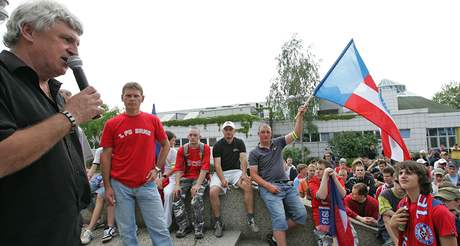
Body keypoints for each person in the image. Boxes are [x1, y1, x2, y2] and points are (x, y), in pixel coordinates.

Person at [0, 1, 103, 245]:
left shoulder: (54, 92)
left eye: (77, 44)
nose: (75, 51)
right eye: (66, 40)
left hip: (65, 231)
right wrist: (70, 117)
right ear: (28, 31)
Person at [100, 82, 172, 246]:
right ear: (122, 98)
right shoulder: (111, 124)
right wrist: (107, 186)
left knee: (159, 228)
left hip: (147, 183)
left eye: (135, 96)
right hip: (120, 185)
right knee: (127, 232)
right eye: (128, 96)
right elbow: (106, 156)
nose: (132, 99)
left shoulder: (152, 120)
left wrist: (157, 168)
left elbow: (166, 144)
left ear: (142, 98)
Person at [249, 106, 308, 246]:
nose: (265, 134)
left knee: (301, 215)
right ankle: (279, 237)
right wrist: (268, 186)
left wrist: (300, 115)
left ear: (271, 134)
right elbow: (253, 175)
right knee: (280, 220)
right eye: (262, 132)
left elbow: (296, 133)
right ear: (258, 134)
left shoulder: (278, 142)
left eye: (268, 132)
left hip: (287, 186)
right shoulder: (254, 153)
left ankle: (276, 236)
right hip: (269, 188)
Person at [389, 161, 457, 246]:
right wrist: (393, 226)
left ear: (421, 178)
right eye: (401, 173)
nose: (403, 176)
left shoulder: (439, 211)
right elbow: (404, 239)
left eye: (409, 173)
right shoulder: (402, 205)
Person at [209, 121, 259, 238]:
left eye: (230, 129)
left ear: (234, 131)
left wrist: (243, 174)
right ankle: (218, 222)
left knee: (247, 185)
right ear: (223, 132)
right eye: (226, 130)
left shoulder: (240, 142)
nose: (228, 132)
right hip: (221, 172)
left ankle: (250, 219)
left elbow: (243, 160)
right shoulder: (217, 145)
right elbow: (217, 165)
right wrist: (222, 179)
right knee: (212, 192)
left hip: (236, 172)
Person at [173, 127, 210, 239]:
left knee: (196, 198)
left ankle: (199, 227)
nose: (193, 137)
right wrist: (177, 185)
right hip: (186, 178)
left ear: (199, 137)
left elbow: (204, 168)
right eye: (191, 135)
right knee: (176, 196)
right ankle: (183, 226)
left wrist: (198, 185)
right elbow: (178, 169)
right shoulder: (182, 149)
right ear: (187, 136)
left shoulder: (205, 148)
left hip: (200, 177)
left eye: (195, 135)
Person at [308, 159, 357, 245]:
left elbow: (343, 194)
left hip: (338, 216)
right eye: (317, 169)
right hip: (323, 218)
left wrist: (334, 178)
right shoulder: (313, 181)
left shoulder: (337, 178)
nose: (317, 172)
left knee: (351, 241)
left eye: (320, 169)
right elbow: (322, 196)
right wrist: (325, 178)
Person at [81, 147, 117, 244]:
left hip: (112, 180)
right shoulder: (99, 151)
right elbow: (93, 168)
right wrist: (87, 178)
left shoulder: (117, 148)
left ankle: (89, 229)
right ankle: (97, 219)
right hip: (101, 178)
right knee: (83, 190)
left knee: (100, 195)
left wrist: (106, 182)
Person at [157, 130, 177, 229]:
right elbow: (156, 168)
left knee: (168, 193)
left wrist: (163, 178)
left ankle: (166, 224)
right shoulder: (159, 151)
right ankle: (157, 220)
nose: (174, 143)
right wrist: (157, 179)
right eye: (173, 140)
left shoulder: (173, 152)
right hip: (162, 177)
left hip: (171, 178)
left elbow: (174, 169)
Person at [378, 178, 406, 246]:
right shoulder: (385, 194)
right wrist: (397, 242)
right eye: (397, 182)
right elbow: (385, 213)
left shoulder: (410, 194)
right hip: (387, 229)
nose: (400, 185)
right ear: (394, 182)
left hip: (405, 226)